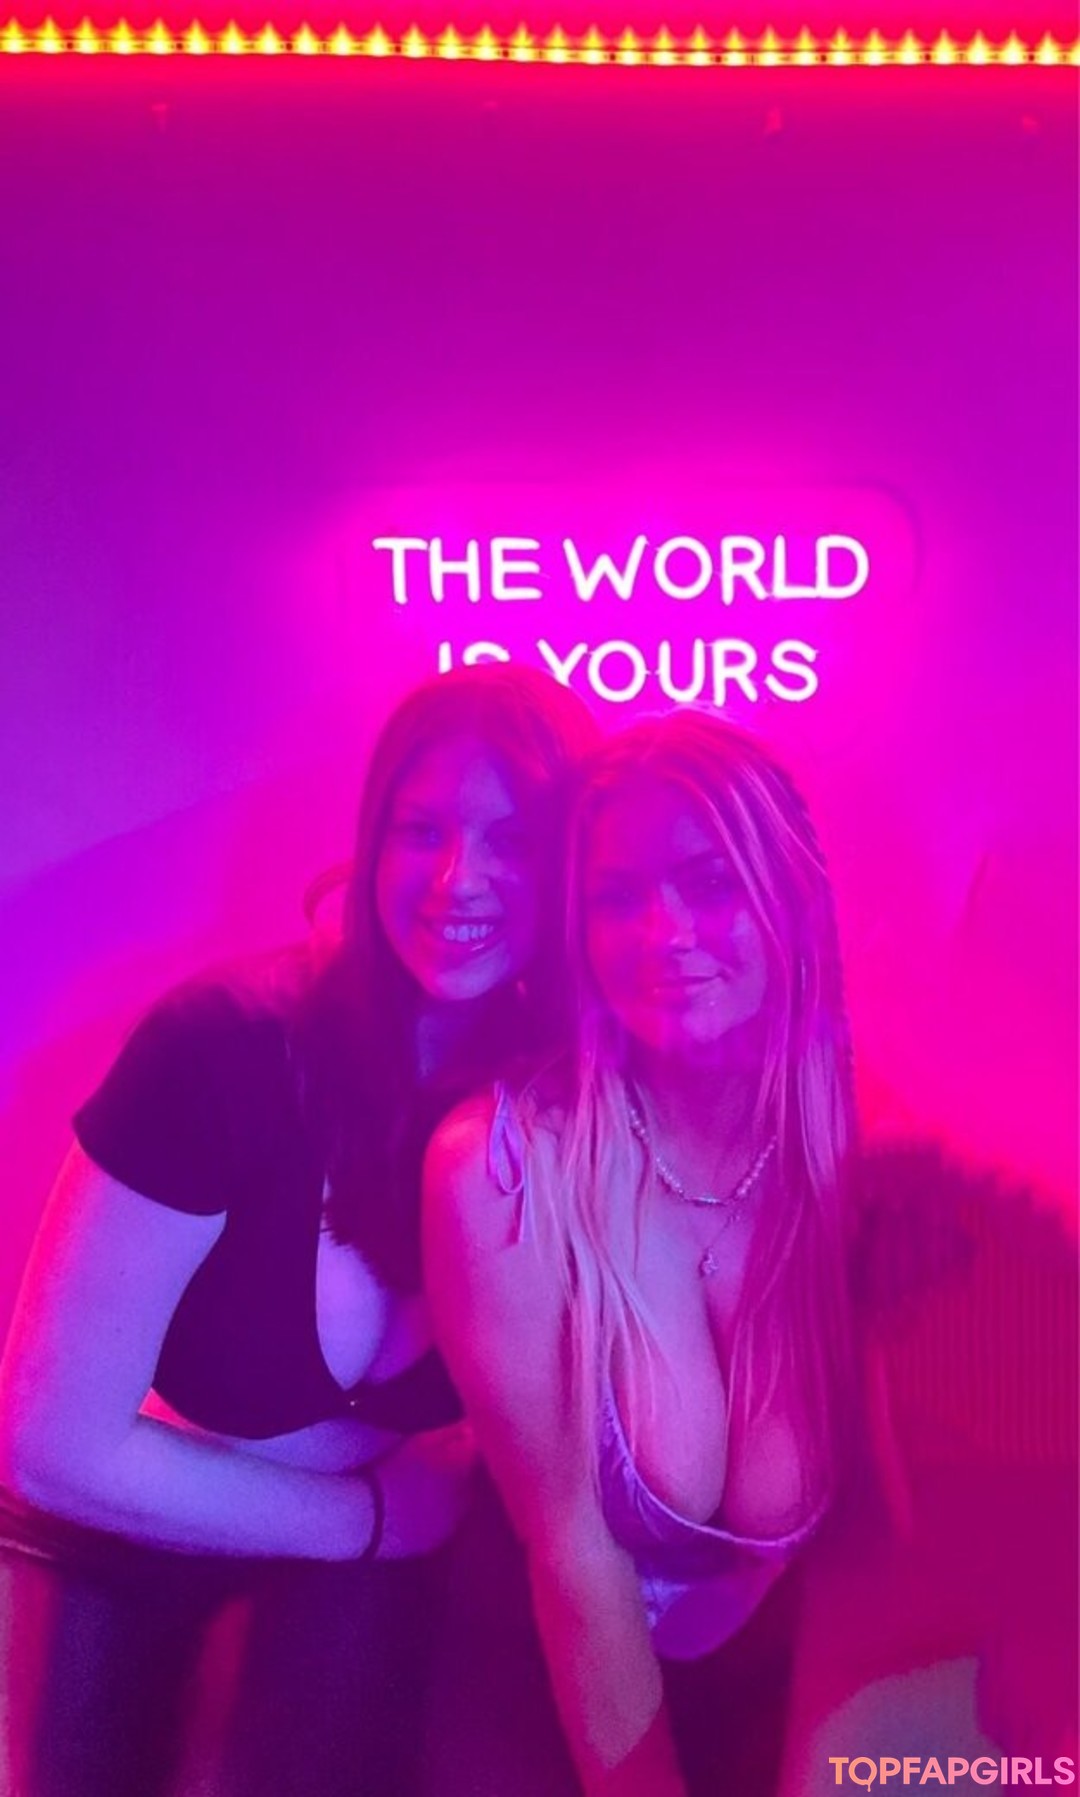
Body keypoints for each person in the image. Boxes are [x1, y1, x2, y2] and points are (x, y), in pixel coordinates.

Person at [0, 662, 598, 1797]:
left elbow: (755, 1071)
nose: (458, 878)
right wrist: (366, 1519)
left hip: (366, 1557)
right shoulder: (220, 1049)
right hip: (136, 1523)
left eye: (513, 841)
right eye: (421, 830)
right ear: (371, 842)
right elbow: (50, 1444)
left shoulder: (566, 1087)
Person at [423, 709, 868, 1797]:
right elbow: (575, 1558)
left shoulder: (867, 1162)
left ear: (790, 895)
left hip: (779, 1686)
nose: (664, 934)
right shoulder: (501, 1171)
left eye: (709, 882)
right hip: (541, 1678)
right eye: (617, 898)